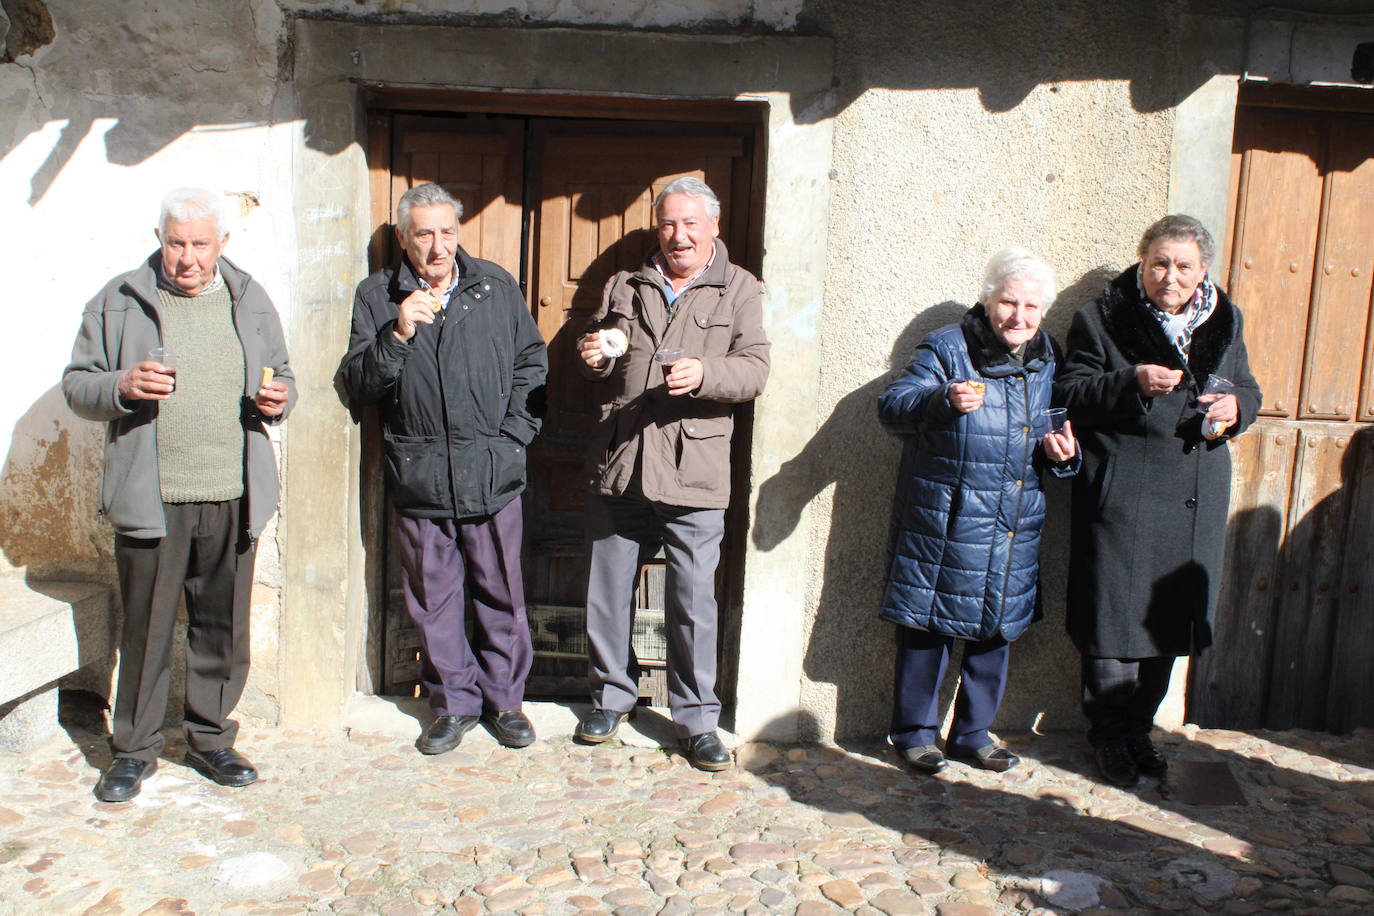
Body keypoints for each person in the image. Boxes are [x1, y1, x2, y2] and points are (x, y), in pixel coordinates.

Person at [62, 188, 295, 802]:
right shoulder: (119, 300)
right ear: (160, 239)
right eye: (175, 242)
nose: (186, 257)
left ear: (222, 243)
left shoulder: (251, 300)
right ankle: (133, 751)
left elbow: (283, 375)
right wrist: (123, 383)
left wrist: (281, 398)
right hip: (153, 497)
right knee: (145, 628)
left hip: (232, 493)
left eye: (198, 243)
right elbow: (77, 387)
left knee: (222, 629)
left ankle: (211, 739)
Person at [339, 183, 547, 755]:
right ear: (403, 238)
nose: (438, 246)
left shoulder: (494, 286)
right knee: (434, 599)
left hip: (492, 471)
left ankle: (505, 702)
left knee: (502, 591)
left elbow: (532, 363)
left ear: (459, 233)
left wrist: (512, 439)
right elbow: (358, 383)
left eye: (447, 232)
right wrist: (398, 332)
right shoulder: (377, 296)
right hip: (421, 472)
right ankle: (452, 704)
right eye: (424, 234)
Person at [1055, 215, 1261, 787]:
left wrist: (1237, 408)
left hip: (1192, 495)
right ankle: (1108, 734)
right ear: (1142, 263)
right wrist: (1132, 383)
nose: (1171, 276)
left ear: (1202, 273)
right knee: (1113, 619)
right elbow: (1070, 393)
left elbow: (1247, 385)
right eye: (1160, 263)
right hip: (1124, 494)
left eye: (1184, 266)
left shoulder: (1225, 320)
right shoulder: (1099, 321)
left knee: (1168, 620)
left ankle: (1139, 728)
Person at [574, 176, 769, 771]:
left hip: (695, 467)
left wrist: (706, 375)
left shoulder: (739, 290)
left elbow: (755, 368)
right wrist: (593, 357)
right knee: (607, 592)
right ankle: (611, 697)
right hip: (623, 459)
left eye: (690, 223)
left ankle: (696, 718)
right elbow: (604, 355)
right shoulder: (625, 285)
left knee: (691, 599)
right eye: (668, 223)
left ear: (713, 226)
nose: (678, 235)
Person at [878, 249, 1078, 776]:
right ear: (988, 300)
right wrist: (942, 399)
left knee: (996, 628)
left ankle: (972, 732)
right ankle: (915, 733)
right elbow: (893, 405)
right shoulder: (949, 347)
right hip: (948, 517)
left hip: (1014, 518)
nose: (1019, 316)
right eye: (1009, 301)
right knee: (929, 628)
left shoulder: (1047, 356)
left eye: (1032, 306)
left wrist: (1064, 457)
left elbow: (1053, 427)